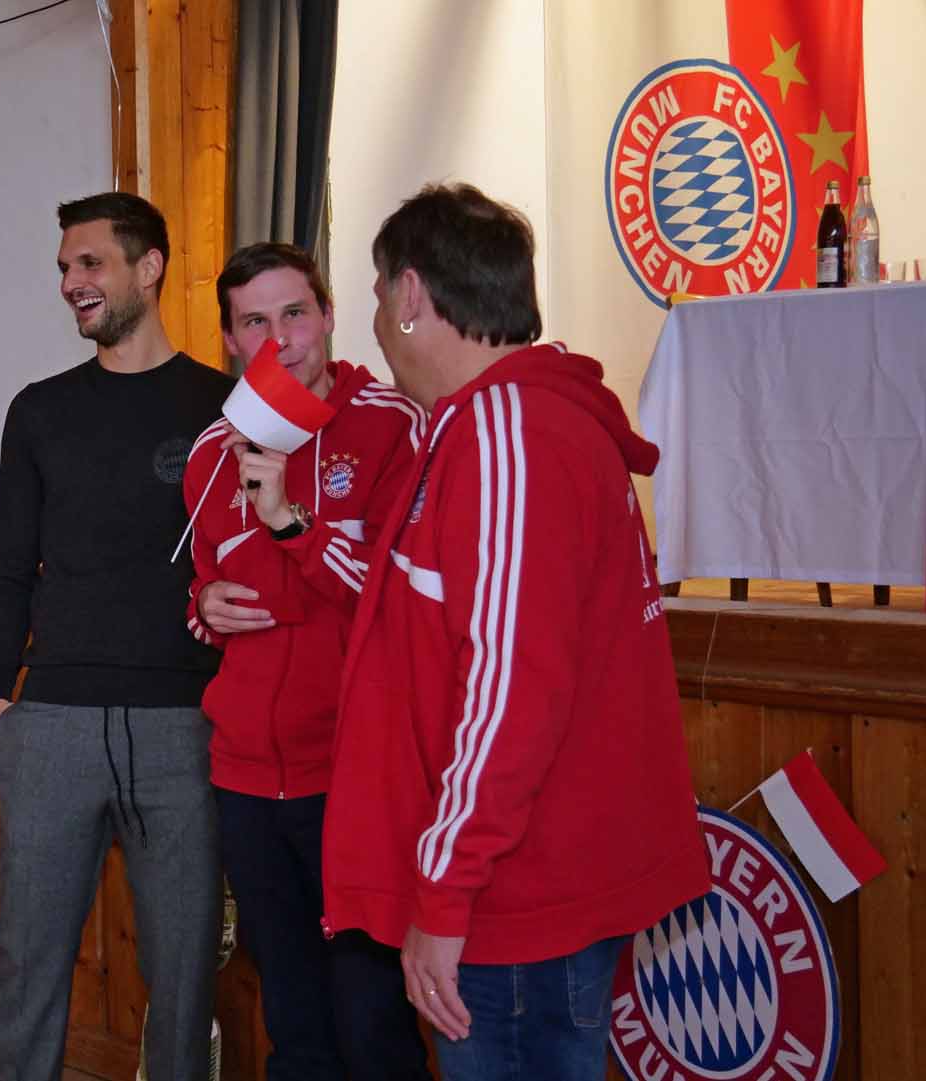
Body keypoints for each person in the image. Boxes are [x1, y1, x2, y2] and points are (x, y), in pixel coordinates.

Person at [325, 183, 709, 1081]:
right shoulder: (501, 423)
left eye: (378, 298)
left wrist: (445, 891)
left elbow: (510, 690)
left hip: (514, 893)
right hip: (521, 880)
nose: (376, 328)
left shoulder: (507, 431)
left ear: (411, 294)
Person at [0, 192, 230, 1081]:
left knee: (186, 977)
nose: (70, 283)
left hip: (184, 729)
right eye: (63, 267)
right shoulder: (38, 411)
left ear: (148, 267)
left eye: (89, 263)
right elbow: (9, 569)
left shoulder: (224, 405)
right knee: (25, 966)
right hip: (51, 725)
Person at [184, 241, 429, 1080]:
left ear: (327, 315)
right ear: (230, 339)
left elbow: (404, 604)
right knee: (293, 1022)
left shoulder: (394, 426)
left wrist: (292, 522)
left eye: (295, 313)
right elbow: (207, 594)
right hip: (246, 778)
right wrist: (203, 607)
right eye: (255, 321)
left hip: (353, 776)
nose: (280, 338)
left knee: (372, 1021)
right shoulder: (210, 451)